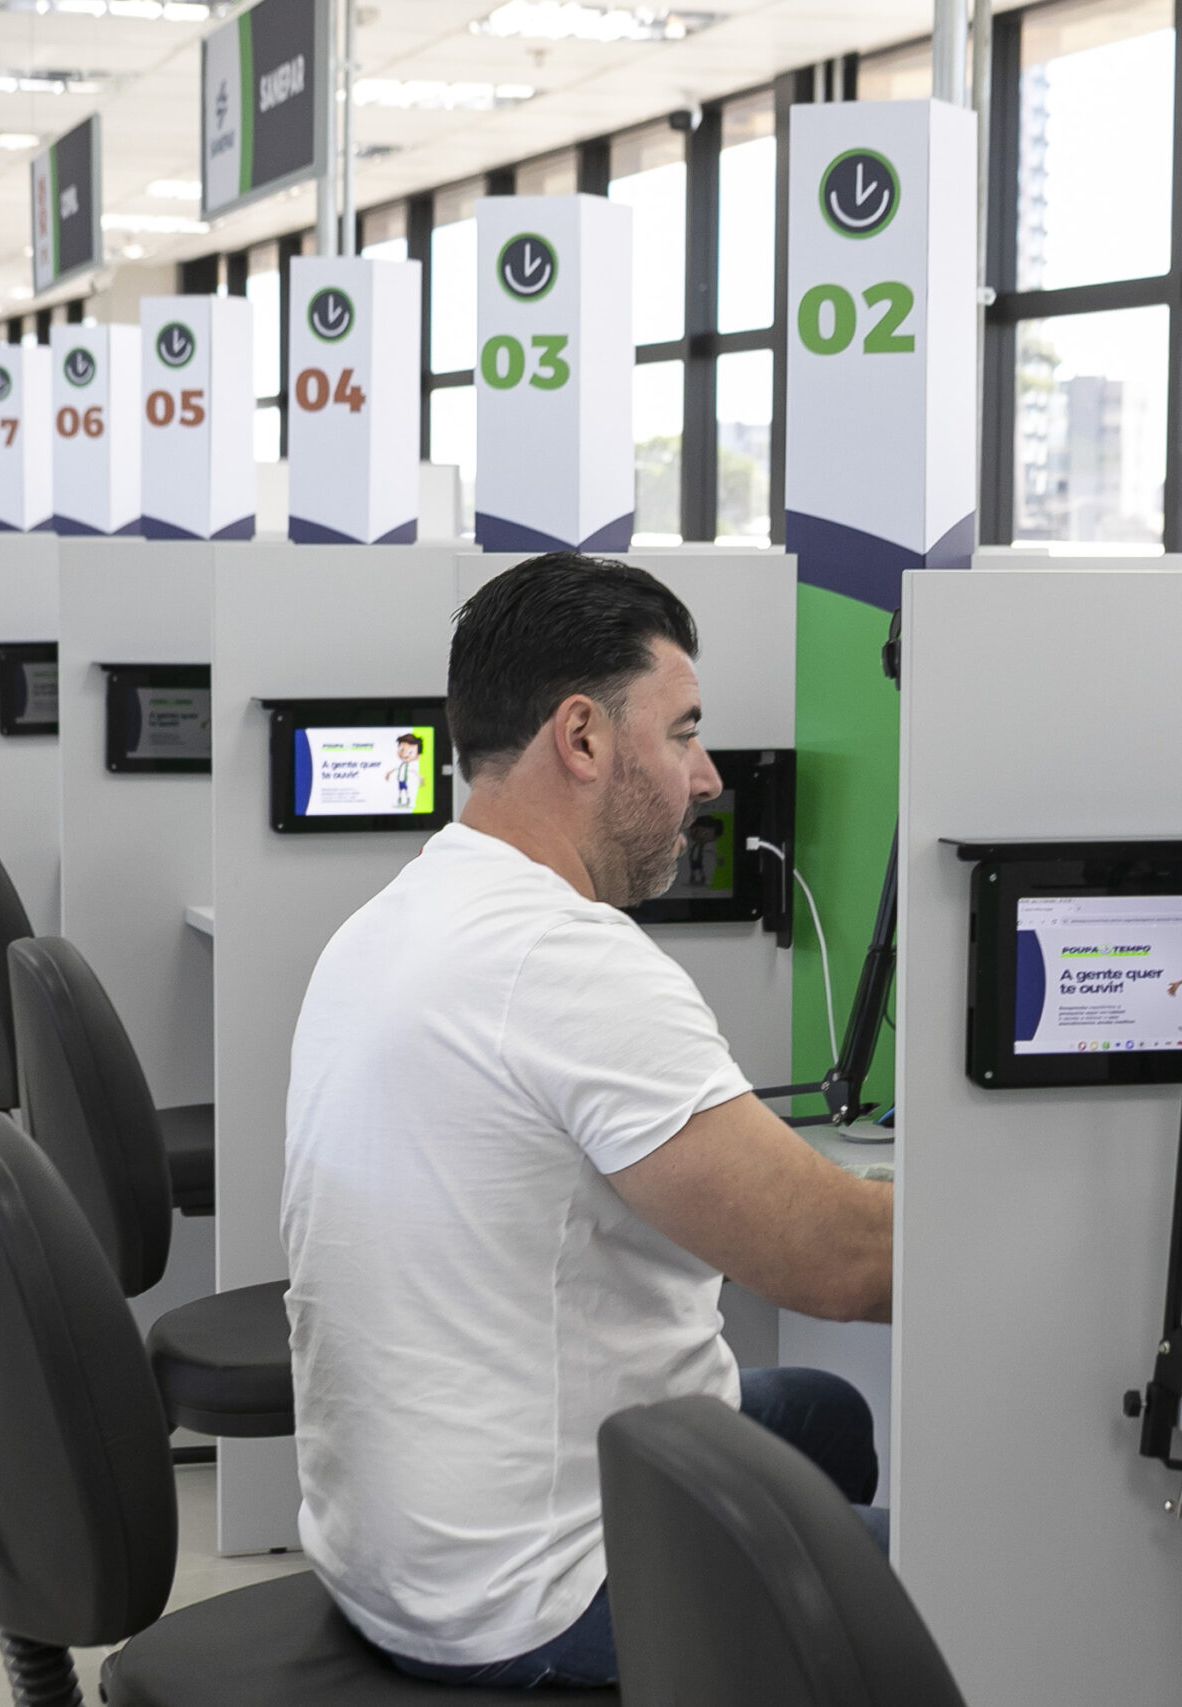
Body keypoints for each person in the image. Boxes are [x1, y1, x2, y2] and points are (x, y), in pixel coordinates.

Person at [282, 553, 895, 1689]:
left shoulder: (396, 916)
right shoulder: (563, 958)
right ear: (581, 737)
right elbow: (841, 1263)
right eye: (684, 732)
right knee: (978, 1568)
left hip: (392, 1545)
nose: (707, 777)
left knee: (821, 1414)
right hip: (529, 1591)